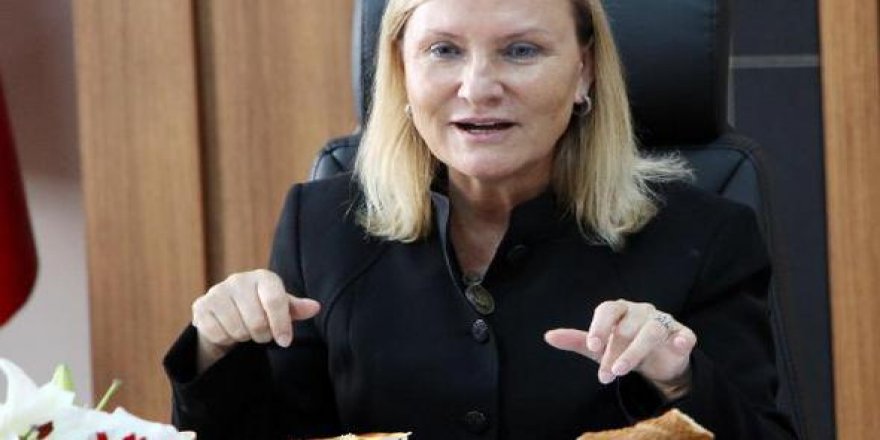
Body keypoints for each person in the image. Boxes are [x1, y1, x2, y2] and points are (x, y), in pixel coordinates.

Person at [163, 0, 796, 438]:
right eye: (443, 50)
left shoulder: (705, 235)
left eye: (520, 50)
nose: (478, 87)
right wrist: (218, 350)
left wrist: (679, 377)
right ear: (402, 72)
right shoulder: (321, 225)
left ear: (584, 70)